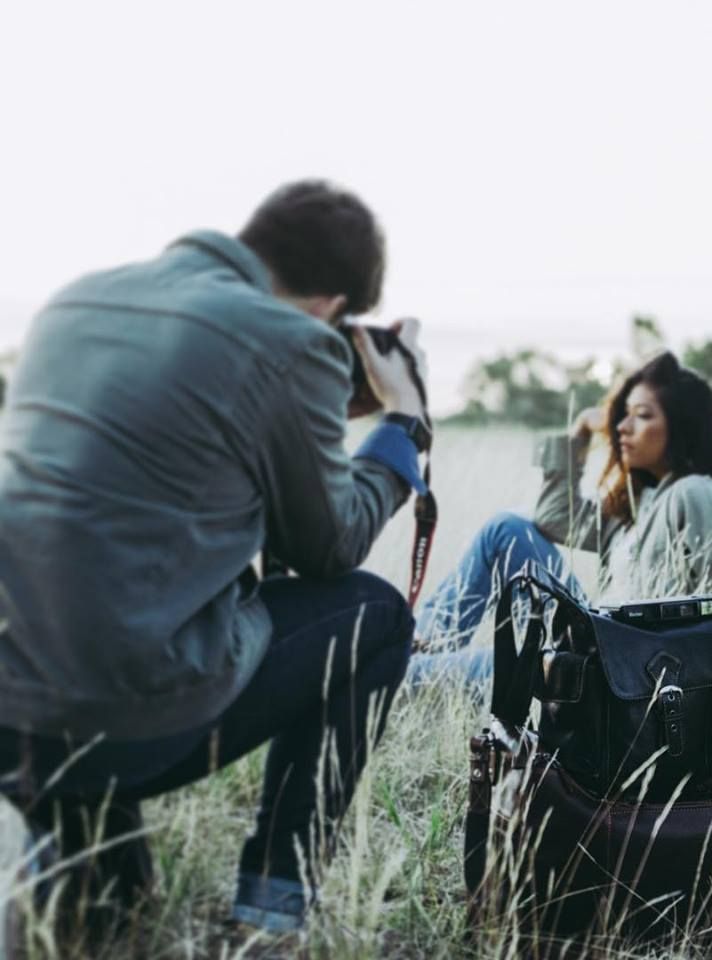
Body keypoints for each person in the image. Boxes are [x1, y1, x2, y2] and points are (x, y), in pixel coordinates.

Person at [0, 180, 431, 940]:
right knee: (375, 614)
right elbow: (328, 546)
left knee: (113, 918)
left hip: (14, 716)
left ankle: (66, 862)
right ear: (334, 305)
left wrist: (313, 417)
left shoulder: (74, 303)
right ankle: (269, 914)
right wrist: (400, 426)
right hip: (124, 721)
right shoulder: (288, 342)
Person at [408, 351, 712, 685]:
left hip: (618, 674)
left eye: (642, 415)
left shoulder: (697, 494)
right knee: (507, 529)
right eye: (622, 414)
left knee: (406, 677)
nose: (622, 427)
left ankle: (399, 666)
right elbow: (552, 518)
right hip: (593, 643)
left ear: (682, 427)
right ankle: (422, 641)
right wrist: (578, 434)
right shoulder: (640, 504)